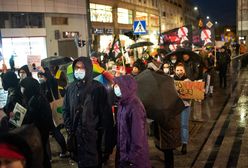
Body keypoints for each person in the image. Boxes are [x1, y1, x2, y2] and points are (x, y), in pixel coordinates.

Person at [62, 57, 114, 168]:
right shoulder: (71, 88)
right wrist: (70, 128)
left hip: (93, 141)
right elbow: (65, 109)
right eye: (76, 67)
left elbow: (106, 118)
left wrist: (105, 145)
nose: (78, 70)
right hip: (77, 139)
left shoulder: (98, 89)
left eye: (82, 68)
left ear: (89, 69)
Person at [113, 75, 151, 168]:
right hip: (124, 154)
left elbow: (137, 138)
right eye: (115, 85)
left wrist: (131, 159)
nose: (115, 88)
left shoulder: (135, 106)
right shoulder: (122, 103)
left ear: (127, 87)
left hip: (133, 159)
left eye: (118, 85)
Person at [19, 77, 52, 168]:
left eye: (23, 87)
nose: (22, 90)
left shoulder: (34, 101)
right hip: (42, 132)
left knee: (41, 157)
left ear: (29, 88)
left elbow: (30, 118)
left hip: (38, 133)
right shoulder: (40, 97)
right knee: (43, 155)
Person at [174, 63, 191, 155]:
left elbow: (192, 94)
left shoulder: (188, 81)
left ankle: (184, 144)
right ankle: (175, 143)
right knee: (175, 125)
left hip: (185, 105)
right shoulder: (171, 80)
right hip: (174, 106)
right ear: (174, 71)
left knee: (184, 125)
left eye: (181, 70)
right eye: (177, 70)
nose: (179, 72)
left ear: (184, 71)